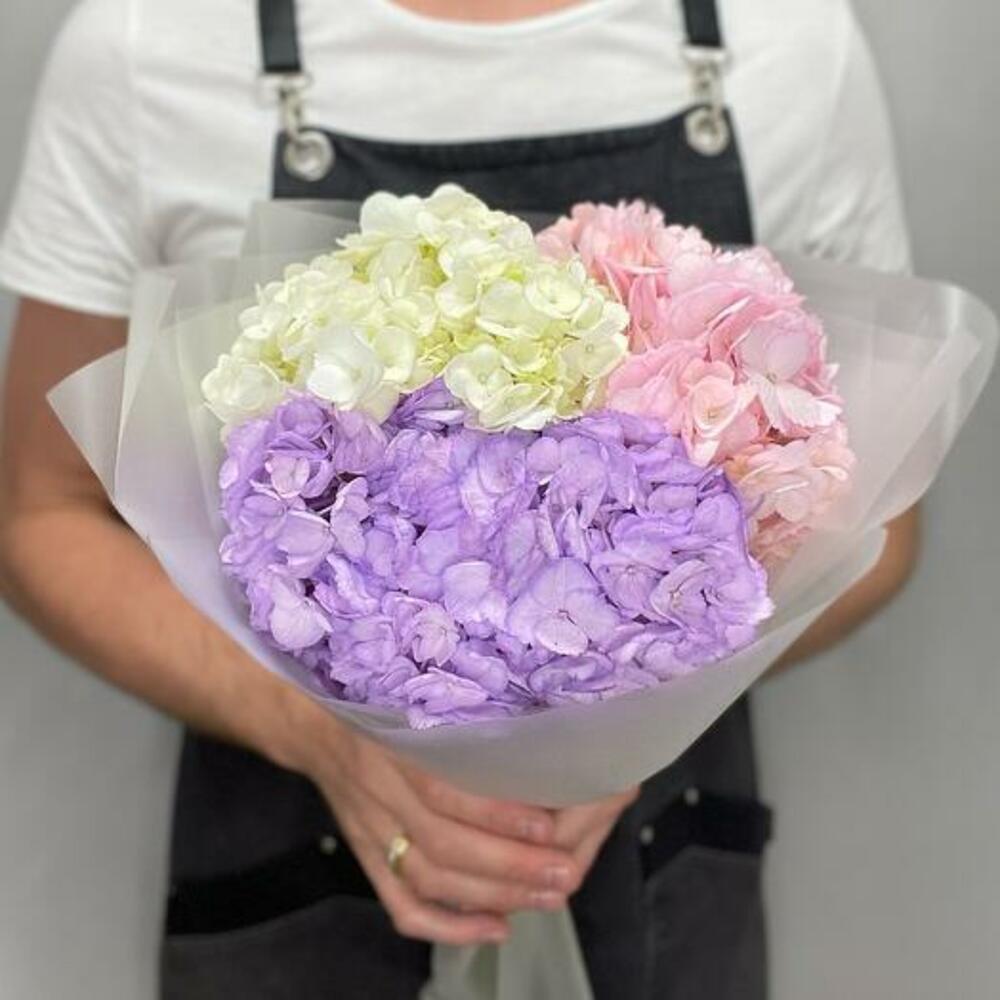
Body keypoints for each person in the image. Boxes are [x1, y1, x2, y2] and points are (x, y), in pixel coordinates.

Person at [0, 0, 920, 997]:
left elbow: (876, 526)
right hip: (287, 897)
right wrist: (316, 730)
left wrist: (617, 718)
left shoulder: (783, 40)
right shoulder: (152, 41)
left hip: (659, 884)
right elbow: (38, 511)